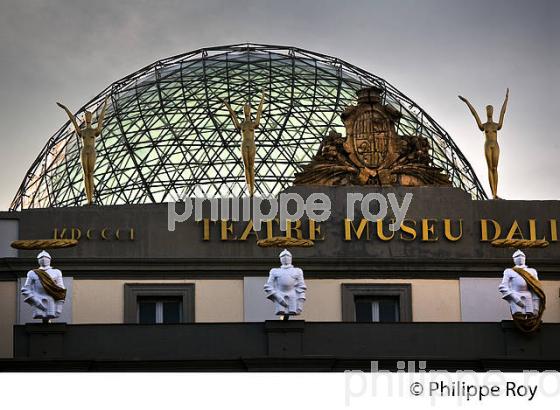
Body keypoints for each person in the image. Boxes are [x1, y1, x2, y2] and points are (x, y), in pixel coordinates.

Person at [57, 96, 109, 205]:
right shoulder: (82, 132)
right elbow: (73, 120)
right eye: (86, 116)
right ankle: (88, 199)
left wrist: (105, 104)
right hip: (84, 151)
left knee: (91, 173)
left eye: (89, 116)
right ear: (85, 119)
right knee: (85, 174)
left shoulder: (95, 130)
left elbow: (101, 119)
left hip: (92, 150)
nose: (88, 117)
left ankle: (91, 200)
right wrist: (66, 109)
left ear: (91, 117)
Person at [458, 89, 508, 199]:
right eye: (488, 110)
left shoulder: (496, 125)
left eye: (491, 110)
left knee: (495, 168)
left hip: (495, 145)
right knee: (490, 168)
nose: (489, 111)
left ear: (492, 112)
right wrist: (467, 102)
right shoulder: (484, 126)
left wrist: (506, 99)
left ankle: (496, 193)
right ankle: (493, 194)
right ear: (486, 112)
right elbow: (474, 114)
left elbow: (503, 112)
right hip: (487, 145)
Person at [222, 92, 266, 196]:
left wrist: (262, 98)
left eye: (248, 108)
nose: (246, 110)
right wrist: (226, 104)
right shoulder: (241, 124)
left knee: (251, 166)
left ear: (250, 111)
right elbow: (232, 114)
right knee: (246, 166)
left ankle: (252, 189)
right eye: (244, 108)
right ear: (243, 111)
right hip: (243, 144)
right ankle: (249, 189)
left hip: (251, 144)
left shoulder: (254, 123)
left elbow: (259, 111)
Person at [498, 249, 545, 332]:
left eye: (522, 256)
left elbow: (536, 289)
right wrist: (515, 298)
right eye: (517, 256)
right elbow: (503, 287)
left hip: (529, 296)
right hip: (515, 295)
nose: (520, 257)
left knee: (531, 315)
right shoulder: (509, 271)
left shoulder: (532, 271)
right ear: (513, 259)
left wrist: (536, 307)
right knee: (518, 314)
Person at [21, 251, 67, 323]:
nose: (43, 259)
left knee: (51, 314)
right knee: (39, 314)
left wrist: (59, 305)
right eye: (41, 258)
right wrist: (35, 301)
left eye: (46, 258)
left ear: (50, 259)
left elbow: (61, 290)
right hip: (37, 299)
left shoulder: (56, 272)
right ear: (38, 260)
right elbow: (26, 289)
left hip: (51, 300)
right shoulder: (32, 273)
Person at [264, 249, 306, 319]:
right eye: (283, 256)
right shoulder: (274, 271)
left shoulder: (297, 271)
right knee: (280, 310)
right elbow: (268, 286)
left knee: (293, 310)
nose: (286, 258)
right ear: (280, 259)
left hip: (293, 294)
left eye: (288, 256)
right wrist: (277, 297)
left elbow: (301, 287)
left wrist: (300, 304)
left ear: (291, 258)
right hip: (279, 294)